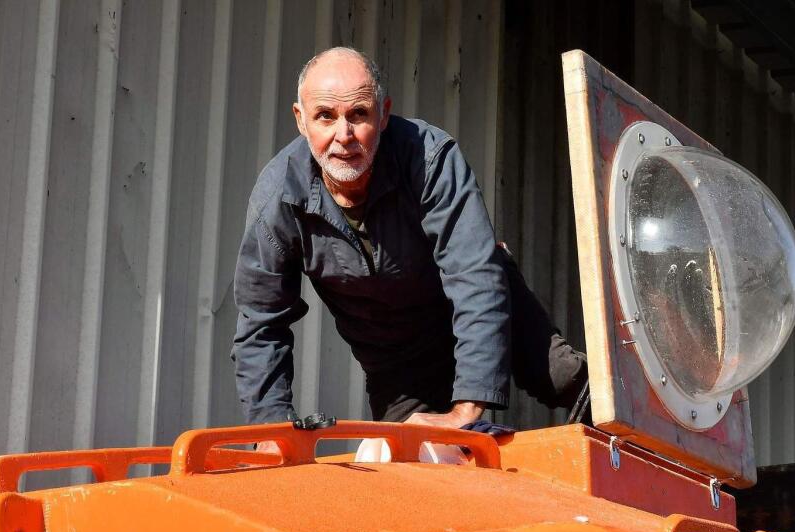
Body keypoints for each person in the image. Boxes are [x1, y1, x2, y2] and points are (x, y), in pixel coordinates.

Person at [231, 46, 586, 432]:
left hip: (478, 312)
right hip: (396, 363)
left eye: (359, 115)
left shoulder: (430, 158)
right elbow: (261, 324)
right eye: (325, 117)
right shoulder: (277, 198)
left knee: (564, 377)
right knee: (423, 458)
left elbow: (475, 276)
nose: (343, 135)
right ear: (301, 120)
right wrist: (271, 433)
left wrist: (465, 410)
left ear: (383, 114)